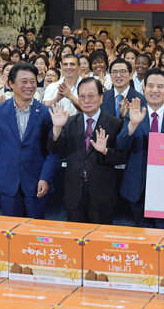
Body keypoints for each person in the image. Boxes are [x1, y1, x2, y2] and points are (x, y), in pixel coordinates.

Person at [0, 62, 58, 218]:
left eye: (33, 81)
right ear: (11, 84)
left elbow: (52, 150)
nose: (29, 86)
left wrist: (45, 178)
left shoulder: (46, 113)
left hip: (36, 183)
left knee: (34, 233)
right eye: (24, 81)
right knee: (11, 233)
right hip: (8, 181)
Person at [116, 67, 164, 227]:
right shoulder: (134, 112)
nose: (154, 90)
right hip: (137, 188)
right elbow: (121, 145)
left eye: (160, 86)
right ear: (144, 88)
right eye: (150, 86)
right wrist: (132, 125)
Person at [47, 77, 125, 223]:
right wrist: (57, 129)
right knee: (75, 239)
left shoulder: (115, 123)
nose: (86, 100)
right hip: (74, 192)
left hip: (101, 193)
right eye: (82, 96)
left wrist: (105, 151)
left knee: (99, 240)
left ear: (101, 98)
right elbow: (54, 148)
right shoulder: (69, 122)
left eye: (91, 96)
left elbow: (122, 157)